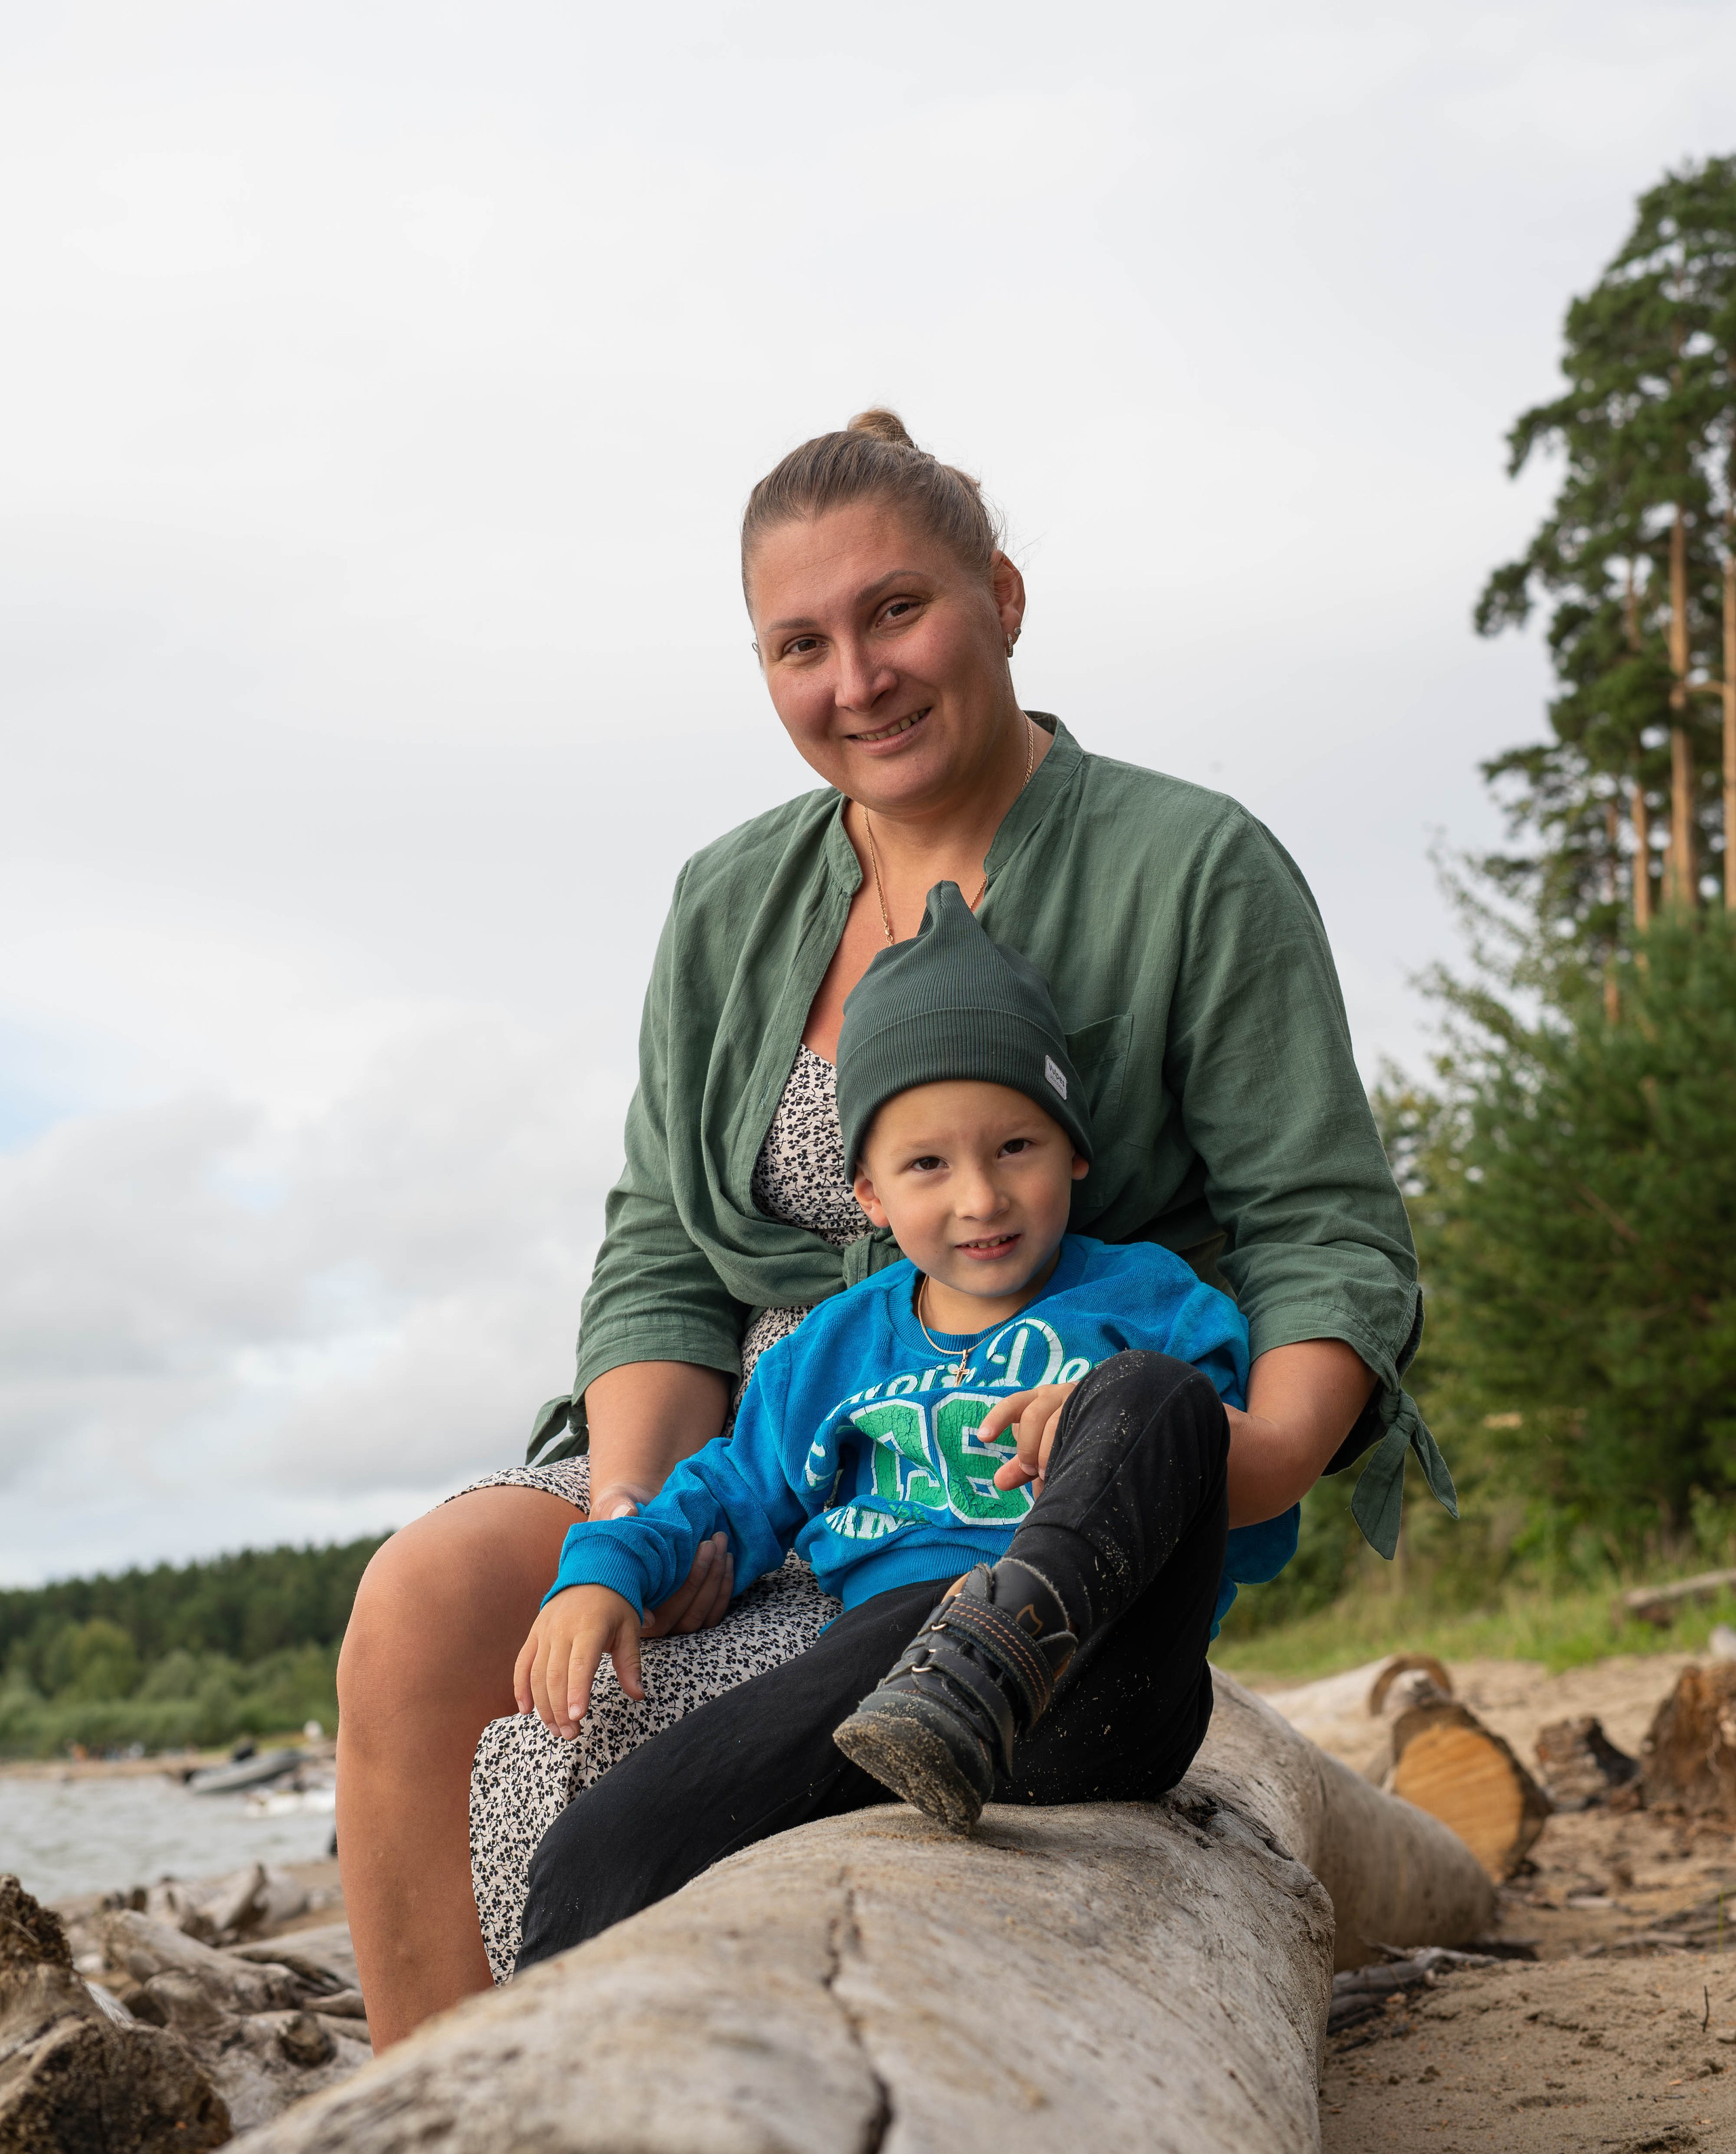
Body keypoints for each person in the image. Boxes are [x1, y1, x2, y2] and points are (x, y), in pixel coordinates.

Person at [335, 409, 1455, 2045]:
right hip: (756, 1442)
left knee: (627, 1769)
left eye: (896, 612)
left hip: (1026, 1474)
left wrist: (1221, 1466)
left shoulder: (1189, 865)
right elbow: (660, 1250)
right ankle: (440, 2096)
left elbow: (1320, 1236)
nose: (853, 677)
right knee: (425, 1604)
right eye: (799, 644)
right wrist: (657, 1527)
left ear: (1000, 595)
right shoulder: (725, 901)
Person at [512, 882, 1284, 1961]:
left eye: (1015, 1147)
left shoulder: (1146, 1301)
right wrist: (603, 1569)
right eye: (928, 1165)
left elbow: (1228, 1490)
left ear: (1077, 1153)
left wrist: (1102, 1427)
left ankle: (999, 1652)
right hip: (891, 1692)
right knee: (605, 1841)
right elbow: (720, 1492)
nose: (980, 1198)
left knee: (1161, 1393)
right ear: (869, 1195)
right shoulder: (829, 1350)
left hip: (1108, 1683)